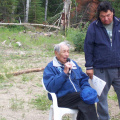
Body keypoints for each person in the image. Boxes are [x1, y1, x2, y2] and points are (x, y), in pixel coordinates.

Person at [43, 41, 98, 120]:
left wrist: (86, 88)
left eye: (68, 51)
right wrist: (64, 73)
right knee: (85, 99)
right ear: (56, 53)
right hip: (62, 98)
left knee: (87, 99)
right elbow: (51, 87)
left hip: (78, 96)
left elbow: (83, 79)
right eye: (64, 52)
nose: (67, 54)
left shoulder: (73, 64)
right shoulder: (51, 67)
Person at [84, 1, 120, 120]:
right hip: (100, 69)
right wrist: (89, 66)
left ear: (113, 13)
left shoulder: (119, 24)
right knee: (101, 98)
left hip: (118, 68)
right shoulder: (93, 27)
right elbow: (88, 47)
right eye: (102, 16)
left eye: (108, 15)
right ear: (99, 15)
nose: (106, 19)